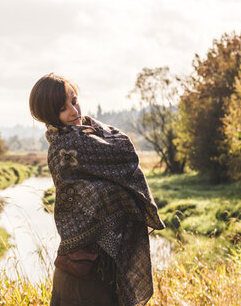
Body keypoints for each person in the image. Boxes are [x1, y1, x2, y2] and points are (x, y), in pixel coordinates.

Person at [29, 73, 165, 306]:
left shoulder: (95, 136)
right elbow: (97, 193)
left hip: (108, 263)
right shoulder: (65, 151)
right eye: (63, 108)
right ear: (51, 115)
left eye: (74, 100)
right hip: (83, 270)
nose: (74, 111)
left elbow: (125, 151)